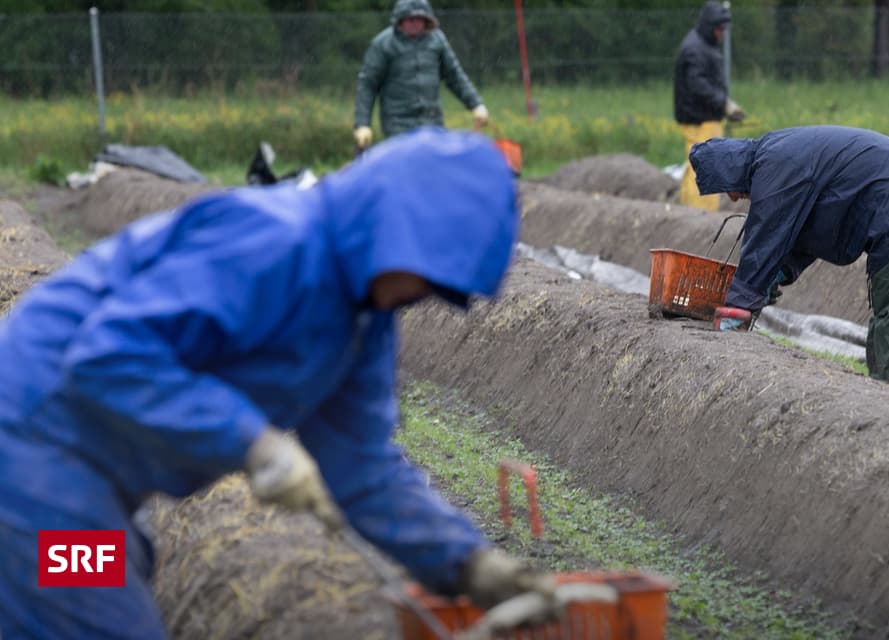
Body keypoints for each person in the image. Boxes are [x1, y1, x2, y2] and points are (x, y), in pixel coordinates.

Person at [0, 128, 553, 640]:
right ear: (393, 228)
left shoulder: (361, 318)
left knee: (105, 578)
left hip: (96, 485)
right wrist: (255, 443)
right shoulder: (274, 243)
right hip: (32, 462)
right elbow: (110, 356)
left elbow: (361, 467)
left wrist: (469, 562)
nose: (425, 293)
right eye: (430, 273)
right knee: (103, 616)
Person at [690, 125, 889, 387]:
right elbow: (803, 230)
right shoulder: (774, 156)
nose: (732, 199)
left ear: (729, 173)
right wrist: (777, 273)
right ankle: (885, 386)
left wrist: (739, 306)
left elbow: (765, 236)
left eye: (725, 190)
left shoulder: (774, 168)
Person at [353, 0, 489, 151]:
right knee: (406, 166)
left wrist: (476, 104)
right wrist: (362, 124)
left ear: (427, 20)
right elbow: (368, 85)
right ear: (400, 20)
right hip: (398, 124)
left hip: (432, 121)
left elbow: (455, 76)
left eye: (420, 19)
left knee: (433, 167)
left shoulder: (437, 41)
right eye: (410, 19)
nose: (415, 23)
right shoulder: (383, 44)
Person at [673, 0, 746, 212]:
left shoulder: (699, 45)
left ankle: (690, 210)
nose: (722, 34)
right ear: (710, 26)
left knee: (695, 165)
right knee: (706, 168)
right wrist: (724, 104)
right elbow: (697, 85)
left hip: (702, 117)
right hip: (700, 119)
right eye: (720, 29)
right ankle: (702, 214)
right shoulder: (695, 49)